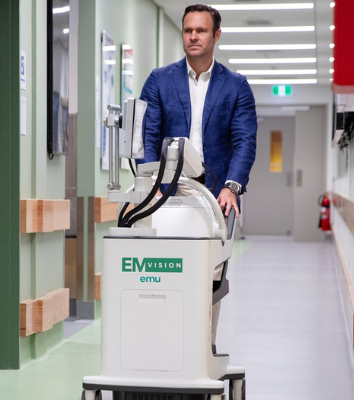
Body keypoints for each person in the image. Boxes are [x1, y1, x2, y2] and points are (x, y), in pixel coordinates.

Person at [138, 4, 257, 346]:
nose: (193, 36)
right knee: (165, 273)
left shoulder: (236, 86)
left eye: (201, 30)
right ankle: (164, 345)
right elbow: (149, 135)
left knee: (209, 277)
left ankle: (203, 348)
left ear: (216, 35)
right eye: (188, 30)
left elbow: (244, 140)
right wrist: (153, 186)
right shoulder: (160, 80)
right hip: (167, 194)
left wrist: (233, 187)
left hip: (214, 196)